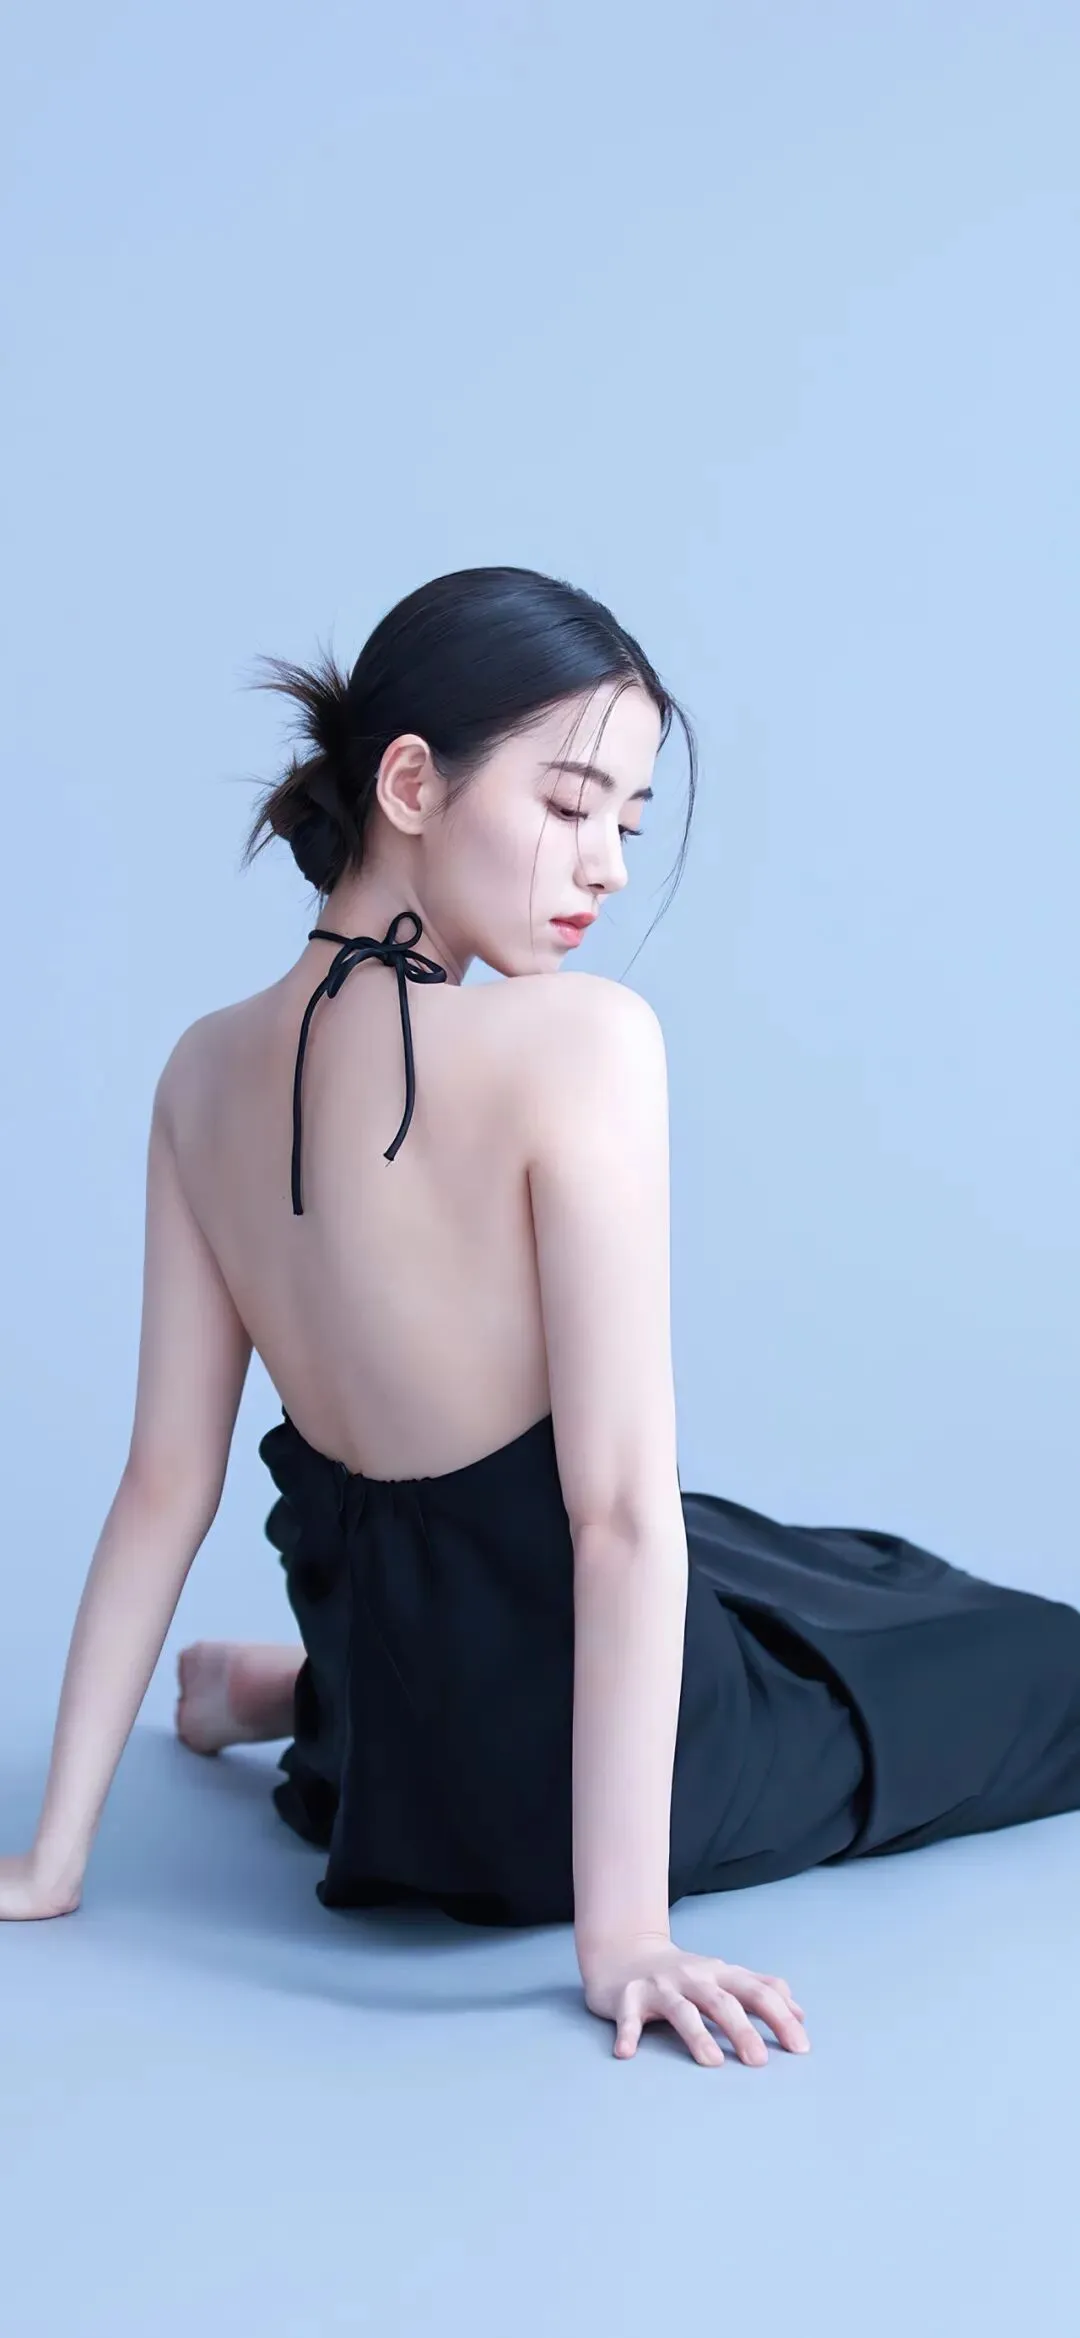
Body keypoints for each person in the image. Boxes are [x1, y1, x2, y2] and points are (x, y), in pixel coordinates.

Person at [4, 566, 1079, 2074]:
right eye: (572, 805)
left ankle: (303, 1694)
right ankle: (297, 1694)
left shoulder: (198, 1071)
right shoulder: (580, 1041)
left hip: (397, 1769)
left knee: (770, 1557)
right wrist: (622, 1933)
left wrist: (53, 1857)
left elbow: (162, 1484)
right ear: (410, 785)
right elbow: (619, 1516)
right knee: (1014, 1656)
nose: (608, 869)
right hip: (558, 1811)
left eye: (626, 824)